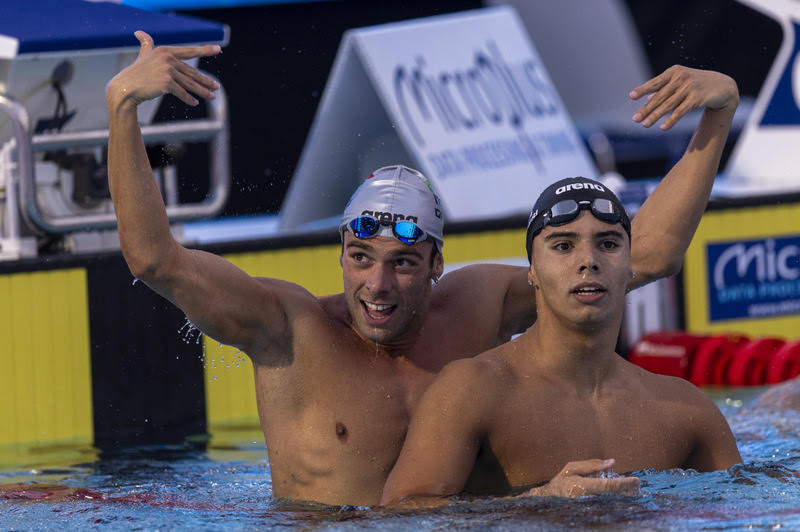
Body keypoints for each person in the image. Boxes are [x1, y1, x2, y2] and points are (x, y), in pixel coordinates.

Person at [106, 29, 738, 506]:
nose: (377, 286)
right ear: (342, 257)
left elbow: (639, 256)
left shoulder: (475, 304)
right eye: (362, 260)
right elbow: (155, 259)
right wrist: (122, 109)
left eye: (403, 264)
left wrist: (718, 116)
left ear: (437, 264)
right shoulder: (289, 330)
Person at [380, 175, 743, 506]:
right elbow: (399, 514)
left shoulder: (686, 412)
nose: (588, 260)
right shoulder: (472, 390)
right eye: (563, 246)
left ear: (630, 265)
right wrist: (538, 501)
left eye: (608, 243)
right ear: (533, 272)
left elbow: (750, 508)